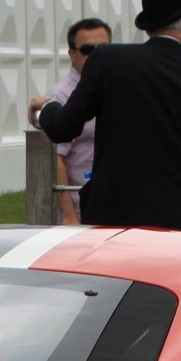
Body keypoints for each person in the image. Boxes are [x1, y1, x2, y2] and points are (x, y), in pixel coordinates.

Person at [25, 0, 181, 231]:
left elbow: (63, 127)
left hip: (114, 223)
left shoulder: (107, 61)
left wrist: (49, 107)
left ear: (149, 28)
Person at [41, 18, 112, 224]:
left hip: (109, 206)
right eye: (88, 49)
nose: (96, 56)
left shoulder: (115, 88)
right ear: (72, 54)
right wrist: (69, 216)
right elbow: (56, 159)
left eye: (103, 49)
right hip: (79, 210)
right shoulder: (61, 96)